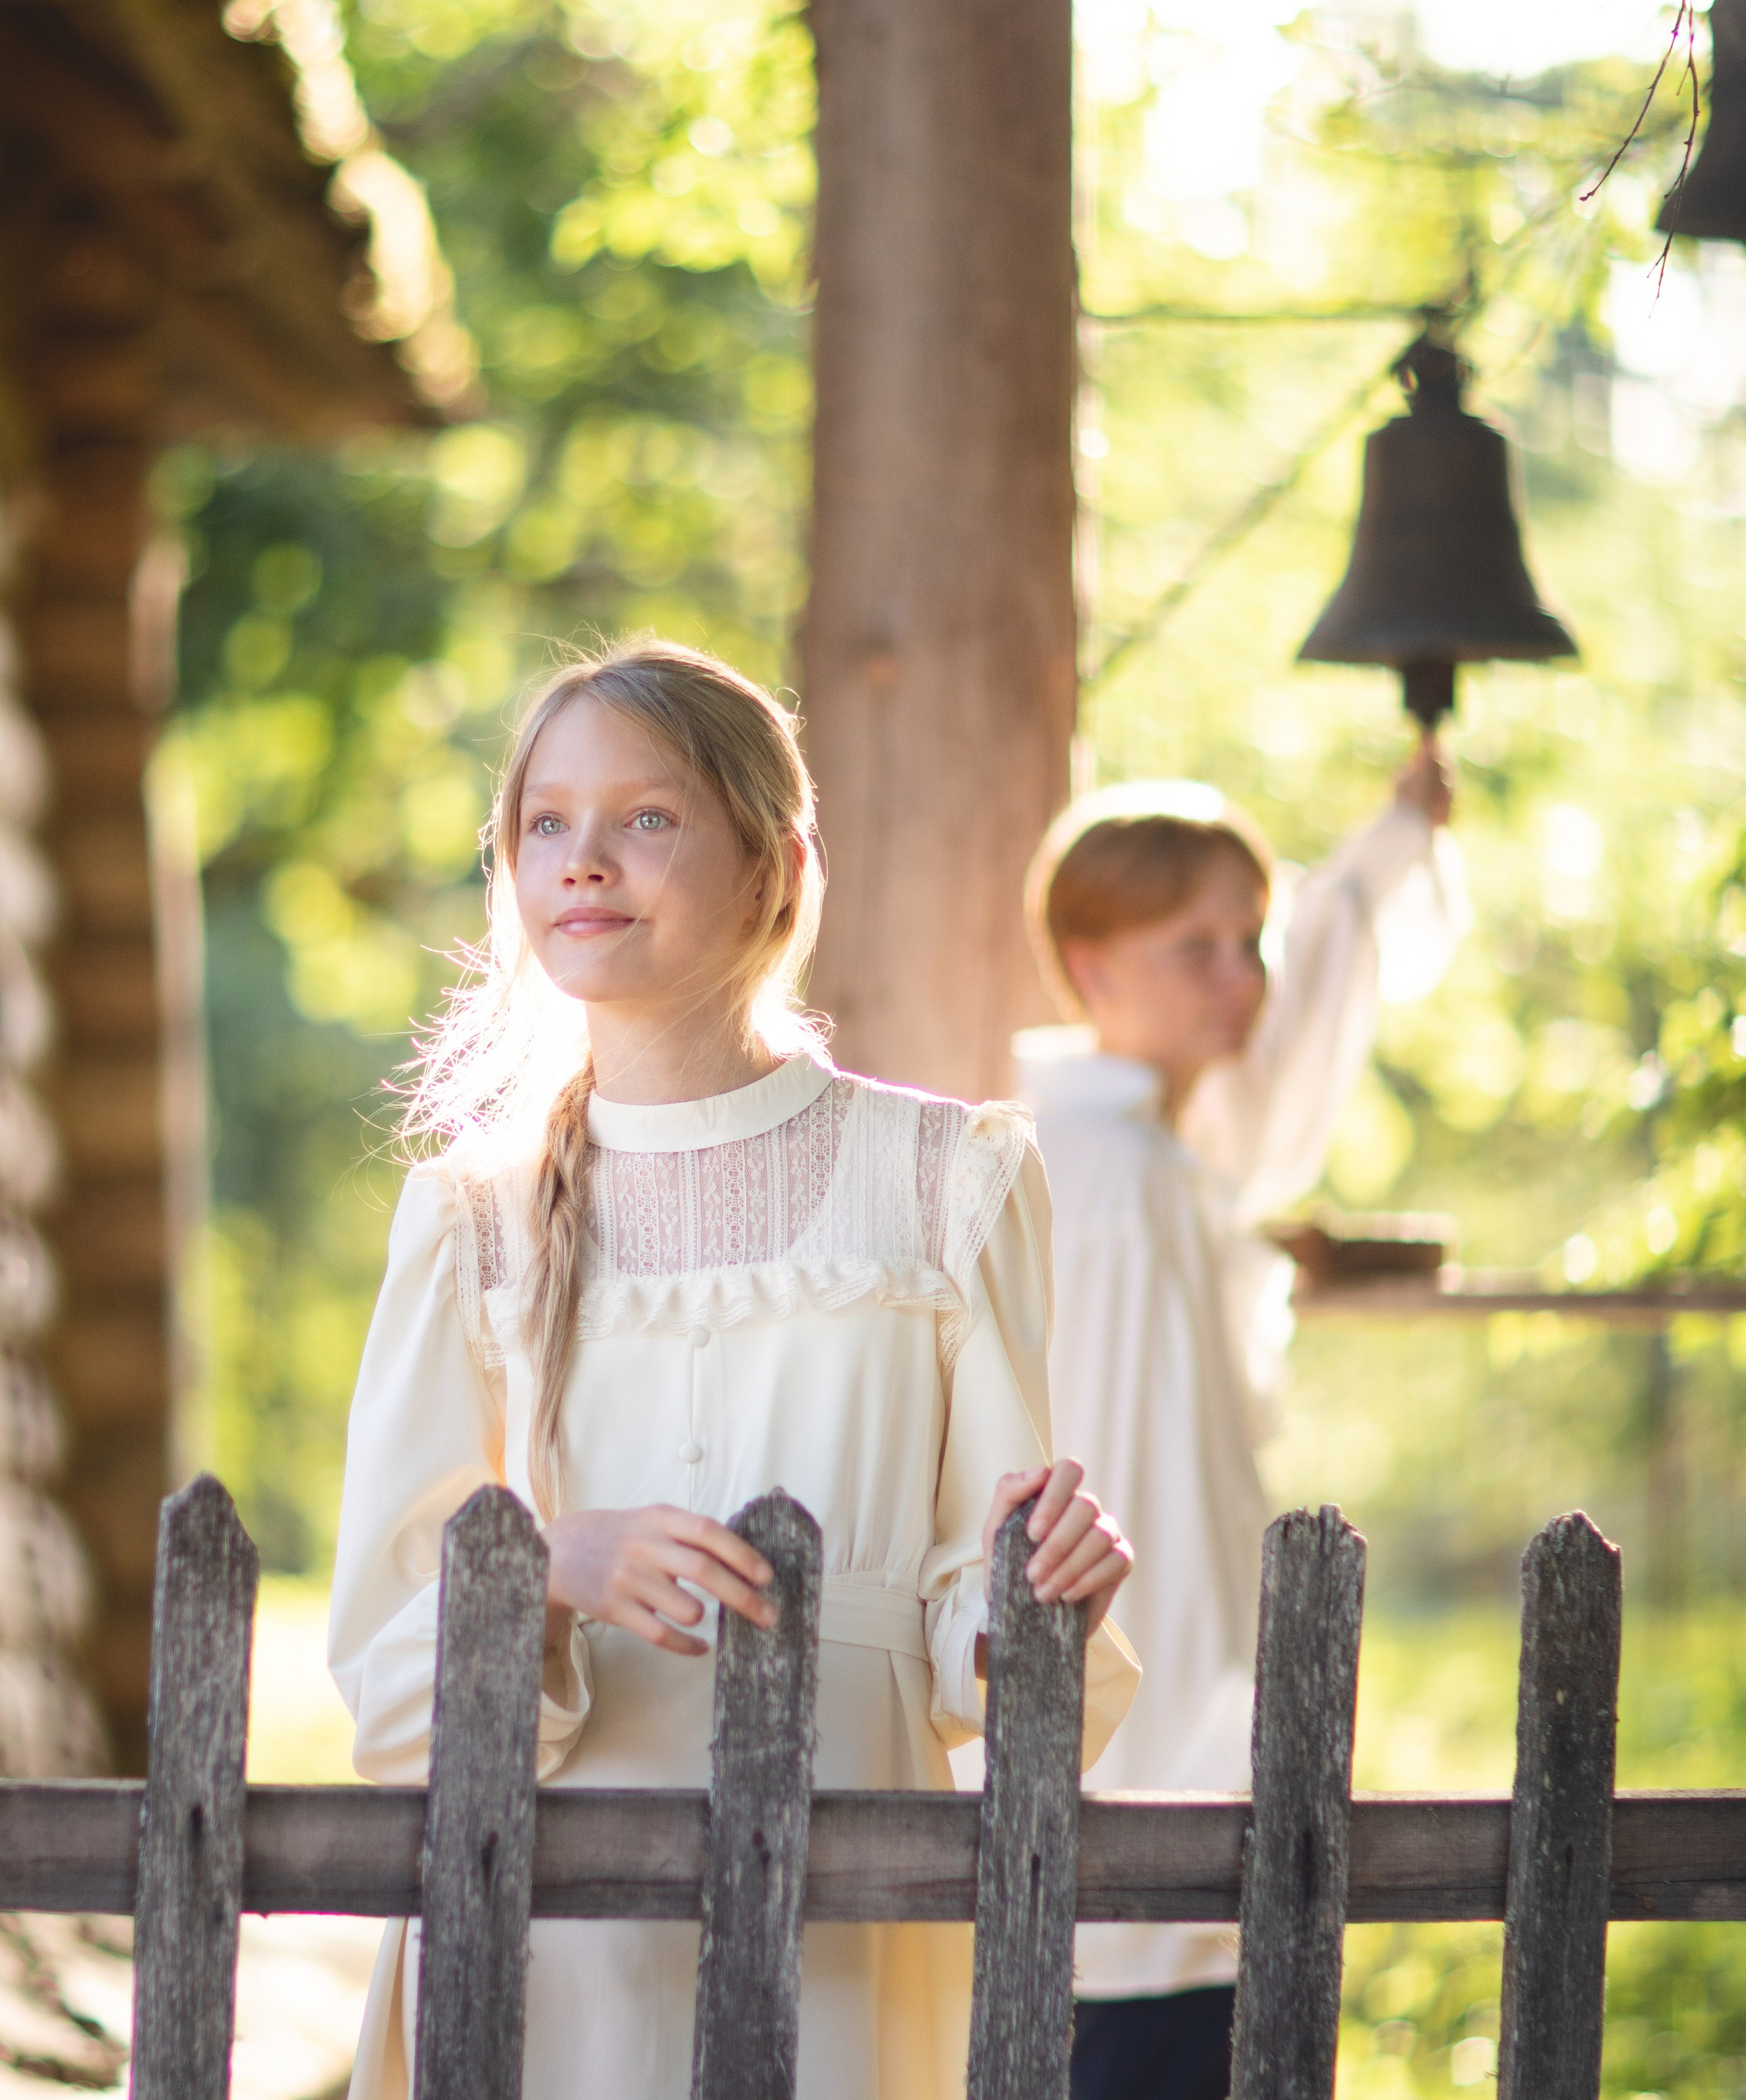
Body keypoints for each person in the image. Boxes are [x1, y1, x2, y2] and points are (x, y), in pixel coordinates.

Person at [329, 639, 1139, 2100]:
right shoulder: (471, 1215)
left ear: (774, 862)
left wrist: (1043, 1590)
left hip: (849, 1890)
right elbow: (388, 1677)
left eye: (647, 817)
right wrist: (552, 1563)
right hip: (547, 1927)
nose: (584, 861)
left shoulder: (945, 1178)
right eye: (545, 824)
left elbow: (983, 1633)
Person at [1016, 747, 1463, 2100]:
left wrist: (1387, 846)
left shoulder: (1154, 1155)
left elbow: (1279, 1060)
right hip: (1138, 1770)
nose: (1243, 977)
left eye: (1249, 939)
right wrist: (1209, 1741)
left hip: (1160, 1767)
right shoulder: (1111, 1177)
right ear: (1091, 966)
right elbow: (1126, 1480)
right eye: (1194, 944)